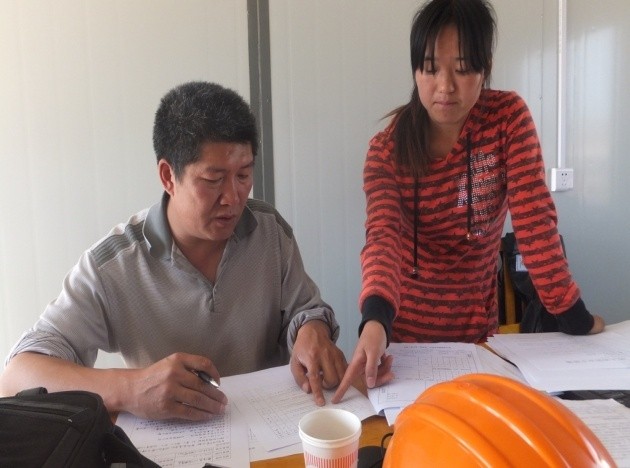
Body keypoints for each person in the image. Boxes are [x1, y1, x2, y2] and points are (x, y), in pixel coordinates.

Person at [0, 81, 347, 420]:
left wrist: (312, 330)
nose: (232, 198)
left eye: (243, 175)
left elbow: (305, 310)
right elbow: (16, 376)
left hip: (273, 430)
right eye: (213, 180)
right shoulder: (115, 264)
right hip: (168, 443)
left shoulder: (268, 231)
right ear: (168, 176)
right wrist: (131, 389)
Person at [333, 0, 605, 403]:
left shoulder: (507, 120)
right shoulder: (387, 150)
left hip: (478, 340)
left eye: (462, 69)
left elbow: (534, 223)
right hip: (405, 348)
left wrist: (571, 314)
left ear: (485, 68)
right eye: (430, 68)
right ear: (415, 70)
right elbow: (383, 239)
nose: (445, 86)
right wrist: (375, 321)